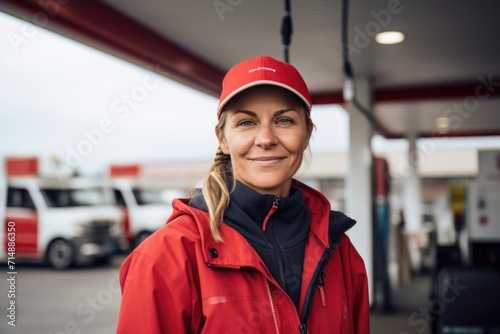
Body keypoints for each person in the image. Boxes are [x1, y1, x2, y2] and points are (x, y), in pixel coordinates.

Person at [116, 55, 370, 333]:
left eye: (284, 120)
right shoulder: (165, 258)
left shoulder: (340, 251)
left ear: (307, 134)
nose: (265, 138)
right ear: (223, 139)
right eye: (246, 123)